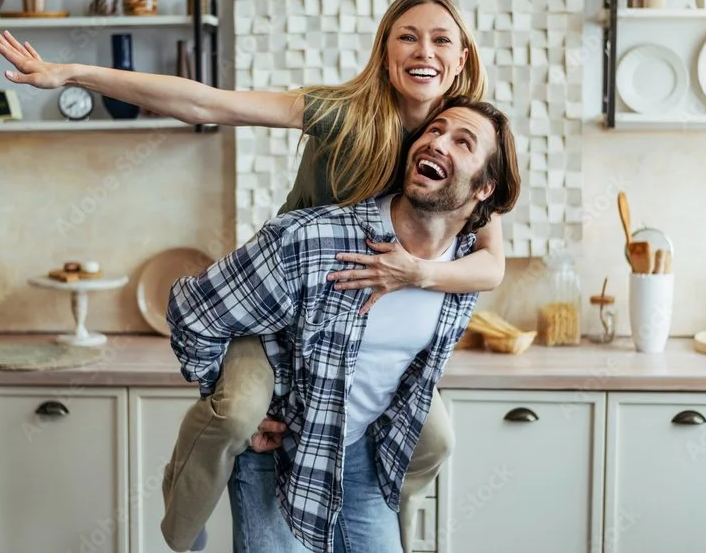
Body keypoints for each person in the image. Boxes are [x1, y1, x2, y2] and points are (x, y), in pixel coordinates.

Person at [0, 0, 508, 551]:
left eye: (440, 39)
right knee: (238, 414)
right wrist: (72, 74)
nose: (422, 50)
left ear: (461, 59)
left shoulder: (469, 148)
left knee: (433, 435)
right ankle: (186, 507)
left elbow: (491, 265)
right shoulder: (342, 114)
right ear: (385, 53)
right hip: (278, 310)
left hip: (346, 330)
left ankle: (376, 506)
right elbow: (208, 104)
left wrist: (414, 273)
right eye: (406, 36)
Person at [168, 97, 521, 553]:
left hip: (363, 452)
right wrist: (233, 405)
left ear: (484, 189)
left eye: (462, 141)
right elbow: (191, 312)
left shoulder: (461, 271)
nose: (437, 142)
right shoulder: (313, 239)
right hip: (277, 455)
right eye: (434, 131)